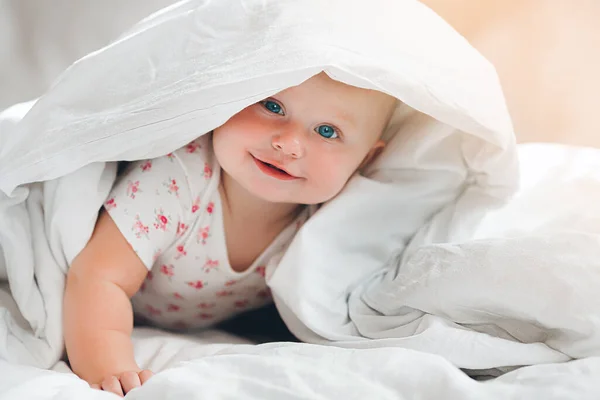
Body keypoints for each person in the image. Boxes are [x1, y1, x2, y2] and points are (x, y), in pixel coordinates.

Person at [63, 72, 397, 396]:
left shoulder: (325, 222)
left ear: (363, 160)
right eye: (272, 106)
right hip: (111, 302)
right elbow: (98, 277)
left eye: (327, 131)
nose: (289, 144)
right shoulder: (179, 177)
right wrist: (110, 370)